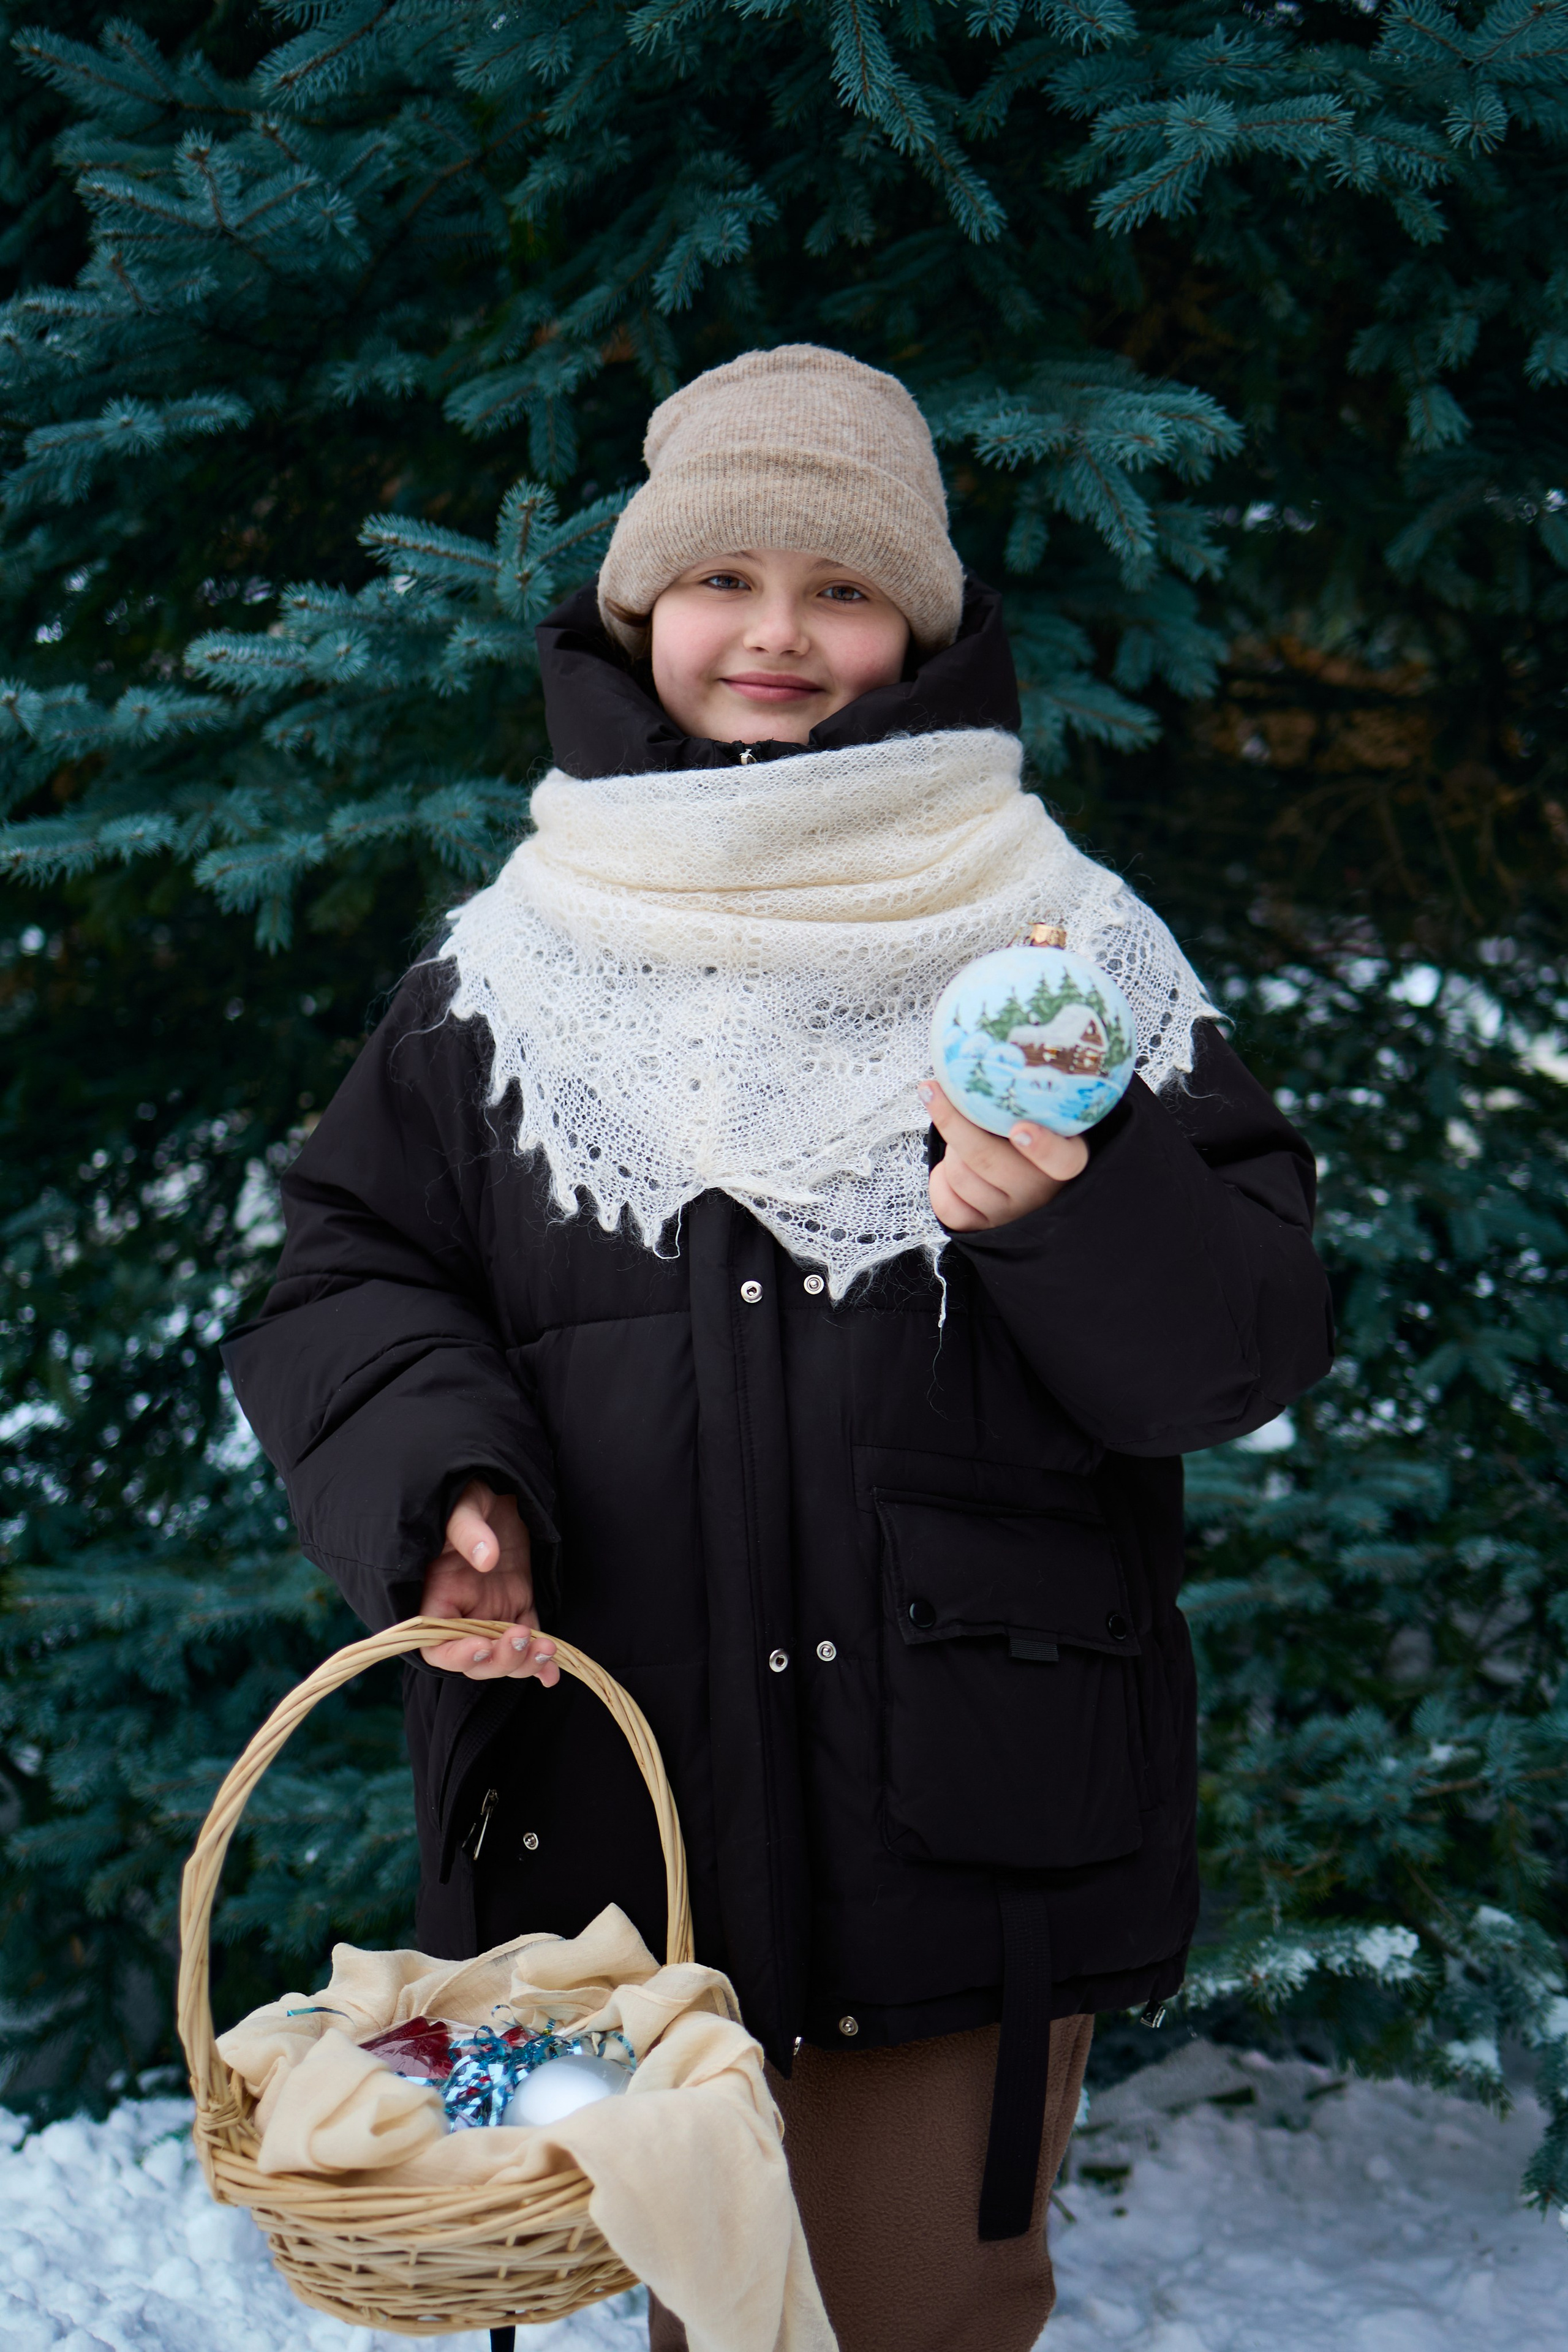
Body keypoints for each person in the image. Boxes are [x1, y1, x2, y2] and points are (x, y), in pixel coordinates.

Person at [224, 344, 1334, 2352]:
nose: (777, 633)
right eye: (722, 578)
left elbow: (1230, 1355)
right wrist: (446, 1486)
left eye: (841, 587)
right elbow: (349, 1273)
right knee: (699, 2309)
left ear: (921, 622)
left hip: (966, 1820)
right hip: (613, 1810)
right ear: (641, 607)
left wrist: (1068, 1208)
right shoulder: (512, 964)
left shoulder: (1058, 939)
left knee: (896, 2312)